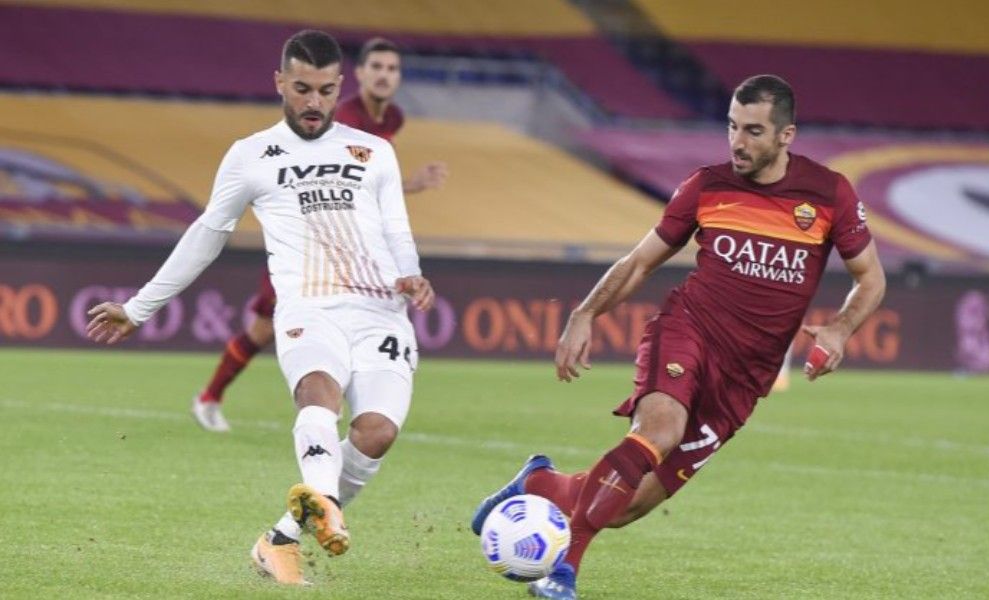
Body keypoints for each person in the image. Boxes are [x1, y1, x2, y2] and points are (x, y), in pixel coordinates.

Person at [470, 75, 886, 599]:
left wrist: (841, 329)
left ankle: (539, 483)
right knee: (659, 430)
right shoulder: (707, 186)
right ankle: (562, 570)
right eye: (732, 126)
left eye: (753, 131)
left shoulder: (828, 194)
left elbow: (871, 278)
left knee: (629, 506)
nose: (737, 141)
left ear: (787, 135)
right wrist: (586, 313)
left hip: (744, 379)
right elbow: (640, 261)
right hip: (689, 330)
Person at [86, 30, 435, 585]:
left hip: (381, 312)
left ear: (339, 86)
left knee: (376, 433)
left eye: (325, 90)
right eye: (301, 88)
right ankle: (324, 502)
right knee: (318, 394)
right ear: (279, 83)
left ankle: (280, 540)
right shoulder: (251, 155)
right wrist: (139, 307)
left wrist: (410, 272)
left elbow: (396, 228)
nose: (314, 102)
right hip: (308, 309)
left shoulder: (375, 152)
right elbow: (207, 234)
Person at [191, 36, 447, 432]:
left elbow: (364, 188)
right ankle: (212, 398)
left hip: (354, 254)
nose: (384, 75)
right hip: (312, 254)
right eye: (376, 67)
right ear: (358, 75)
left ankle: (221, 398)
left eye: (392, 68)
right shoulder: (339, 117)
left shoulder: (391, 119)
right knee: (262, 330)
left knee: (267, 330)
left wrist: (407, 186)